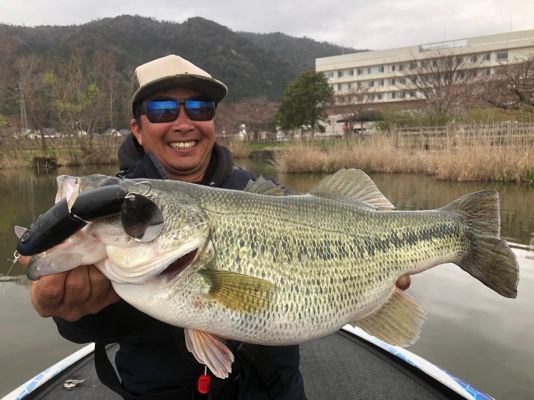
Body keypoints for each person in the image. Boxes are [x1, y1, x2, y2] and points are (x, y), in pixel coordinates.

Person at [23, 54, 411, 400]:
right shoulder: (115, 202)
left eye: (199, 107)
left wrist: (376, 271)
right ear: (137, 129)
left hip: (272, 390)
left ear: (212, 121)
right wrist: (76, 312)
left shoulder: (262, 194)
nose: (183, 122)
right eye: (162, 109)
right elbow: (81, 323)